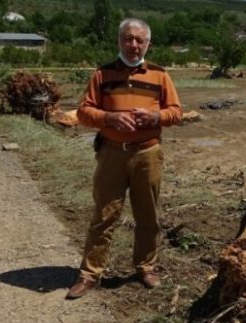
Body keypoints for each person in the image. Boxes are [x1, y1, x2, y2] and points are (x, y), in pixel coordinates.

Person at [67, 18, 183, 299]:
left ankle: (145, 267)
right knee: (104, 215)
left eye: (139, 40)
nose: (133, 45)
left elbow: (176, 112)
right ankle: (90, 274)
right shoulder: (102, 74)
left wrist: (157, 116)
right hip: (111, 154)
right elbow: (84, 112)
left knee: (148, 214)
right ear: (119, 41)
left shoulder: (159, 74)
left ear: (148, 44)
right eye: (128, 39)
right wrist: (109, 118)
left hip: (148, 154)